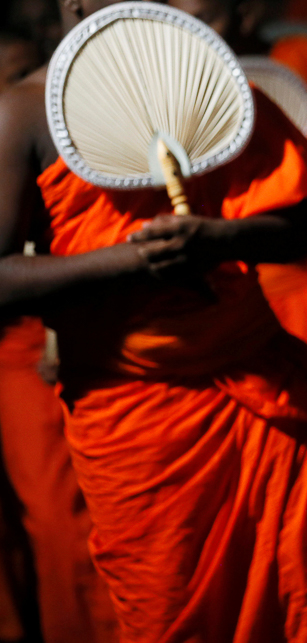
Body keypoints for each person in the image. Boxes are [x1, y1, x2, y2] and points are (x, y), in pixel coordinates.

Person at [0, 1, 307, 641]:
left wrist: (221, 238)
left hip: (257, 388)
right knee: (173, 615)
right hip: (134, 418)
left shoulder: (206, 82)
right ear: (72, 4)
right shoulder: (25, 114)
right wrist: (133, 262)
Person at [169, 0, 307, 431]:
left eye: (203, 22)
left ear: (245, 14)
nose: (192, 38)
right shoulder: (172, 94)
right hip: (230, 306)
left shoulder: (293, 60)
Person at [0, 27, 119, 643]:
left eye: (23, 72)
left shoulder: (71, 119)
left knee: (89, 517)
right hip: (19, 347)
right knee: (55, 520)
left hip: (73, 333)